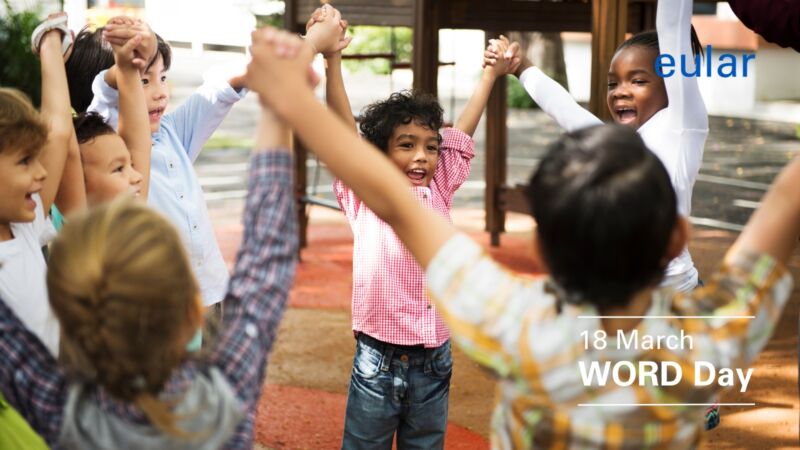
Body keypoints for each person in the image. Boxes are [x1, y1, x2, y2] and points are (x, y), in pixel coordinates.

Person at [246, 25, 797, 449]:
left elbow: (386, 197)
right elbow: (785, 201)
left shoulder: (523, 324)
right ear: (678, 237)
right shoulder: (714, 331)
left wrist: (290, 94)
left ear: (546, 246)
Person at [0, 64, 302, 450]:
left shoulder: (64, 410)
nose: (136, 176)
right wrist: (283, 102)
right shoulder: (224, 395)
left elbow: (12, 343)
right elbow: (267, 259)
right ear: (192, 313)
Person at [308, 6, 518, 448]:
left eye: (430, 147)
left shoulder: (439, 186)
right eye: (406, 145)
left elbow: (462, 132)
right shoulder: (368, 192)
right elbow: (343, 132)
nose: (422, 156)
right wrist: (332, 59)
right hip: (378, 359)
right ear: (380, 154)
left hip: (434, 358)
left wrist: (490, 76)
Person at [488, 0, 707, 295]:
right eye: (612, 84)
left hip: (675, 296)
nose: (619, 92)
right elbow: (567, 111)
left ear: (672, 81)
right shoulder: (618, 144)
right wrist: (522, 67)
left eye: (638, 81)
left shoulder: (681, 126)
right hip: (622, 296)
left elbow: (672, 27)